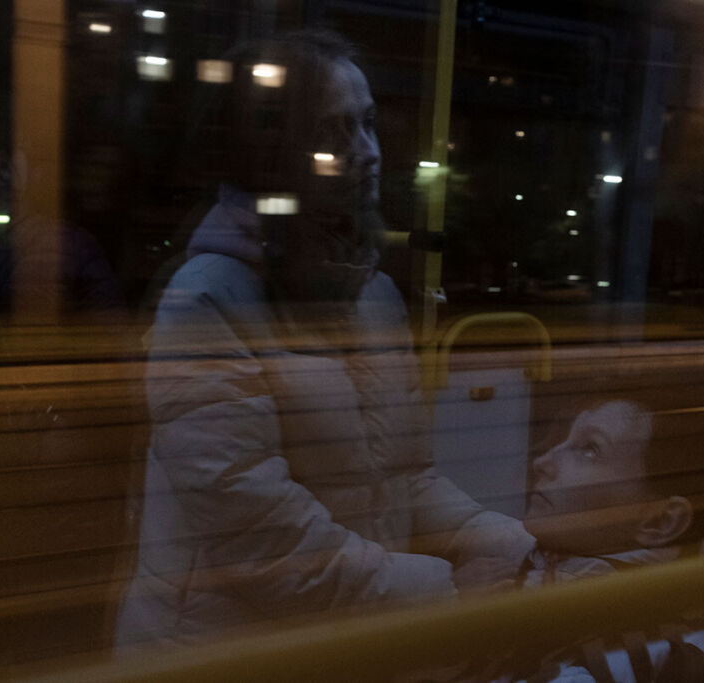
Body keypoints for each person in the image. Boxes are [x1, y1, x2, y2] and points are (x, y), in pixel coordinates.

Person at [115, 29, 535, 649]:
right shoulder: (206, 300)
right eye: (334, 133)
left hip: (334, 637)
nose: (367, 152)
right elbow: (260, 539)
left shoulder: (373, 295)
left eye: (368, 124)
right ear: (273, 153)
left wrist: (512, 545)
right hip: (216, 649)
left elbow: (405, 479)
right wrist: (442, 590)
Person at [510, 394, 704, 682]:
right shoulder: (552, 586)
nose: (542, 462)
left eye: (590, 450)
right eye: (558, 443)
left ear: (660, 522)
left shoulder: (657, 656)